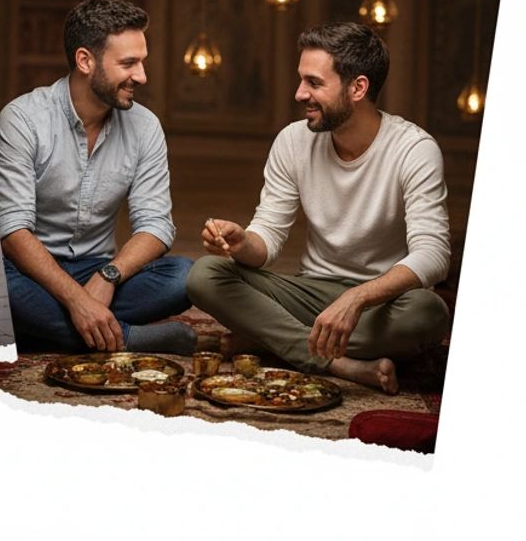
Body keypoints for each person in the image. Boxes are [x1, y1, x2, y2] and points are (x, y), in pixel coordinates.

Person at [187, 23, 451, 395]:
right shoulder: (293, 141)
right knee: (205, 274)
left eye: (314, 83)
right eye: (301, 81)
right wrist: (242, 241)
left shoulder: (414, 149)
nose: (299, 94)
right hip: (309, 292)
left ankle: (273, 340)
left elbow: (434, 254)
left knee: (429, 314)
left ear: (357, 88)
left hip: (380, 303)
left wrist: (357, 298)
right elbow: (268, 237)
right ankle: (338, 363)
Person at [0, 0, 193, 355]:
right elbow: (13, 232)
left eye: (142, 62)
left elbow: (156, 227)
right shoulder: (22, 120)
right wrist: (75, 301)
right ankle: (127, 338)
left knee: (186, 278)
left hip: (100, 269)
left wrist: (108, 277)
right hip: (29, 272)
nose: (142, 76)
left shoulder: (145, 127)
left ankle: (46, 330)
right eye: (128, 63)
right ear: (85, 61)